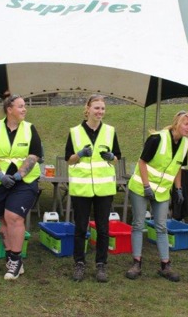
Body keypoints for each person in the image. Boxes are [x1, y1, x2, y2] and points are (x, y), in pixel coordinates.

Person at [125, 110, 188, 282]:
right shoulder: (157, 138)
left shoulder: (185, 144)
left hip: (162, 191)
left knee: (161, 226)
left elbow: (178, 167)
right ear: (177, 123)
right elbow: (142, 162)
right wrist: (147, 186)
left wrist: (178, 189)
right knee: (138, 223)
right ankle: (136, 263)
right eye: (186, 124)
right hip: (141, 187)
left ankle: (165, 265)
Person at [0, 94, 42, 280]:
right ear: (9, 109)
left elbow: (34, 156)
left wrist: (18, 175)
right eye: (21, 106)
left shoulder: (30, 129)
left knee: (13, 216)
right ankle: (10, 256)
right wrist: (0, 175)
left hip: (23, 182)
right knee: (3, 220)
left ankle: (16, 259)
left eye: (25, 106)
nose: (24, 109)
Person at [64, 95, 122, 283]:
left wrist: (110, 156)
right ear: (87, 109)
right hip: (82, 188)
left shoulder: (110, 131)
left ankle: (101, 265)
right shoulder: (74, 132)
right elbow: (69, 160)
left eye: (103, 109)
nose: (100, 112)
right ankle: (79, 263)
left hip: (104, 189)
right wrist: (79, 155)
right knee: (81, 227)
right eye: (96, 108)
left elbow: (116, 159)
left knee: (103, 228)